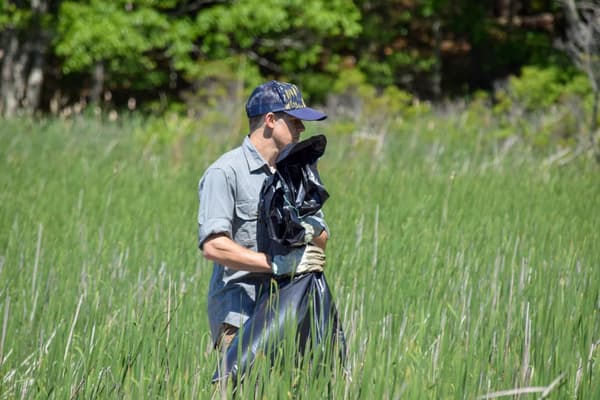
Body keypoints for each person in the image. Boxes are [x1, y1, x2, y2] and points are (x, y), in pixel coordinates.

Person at [197, 80, 330, 353]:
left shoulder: (296, 173)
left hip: (289, 312)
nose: (302, 129)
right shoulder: (224, 172)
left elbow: (322, 238)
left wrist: (308, 231)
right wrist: (277, 264)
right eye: (295, 121)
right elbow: (213, 246)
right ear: (270, 120)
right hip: (238, 317)